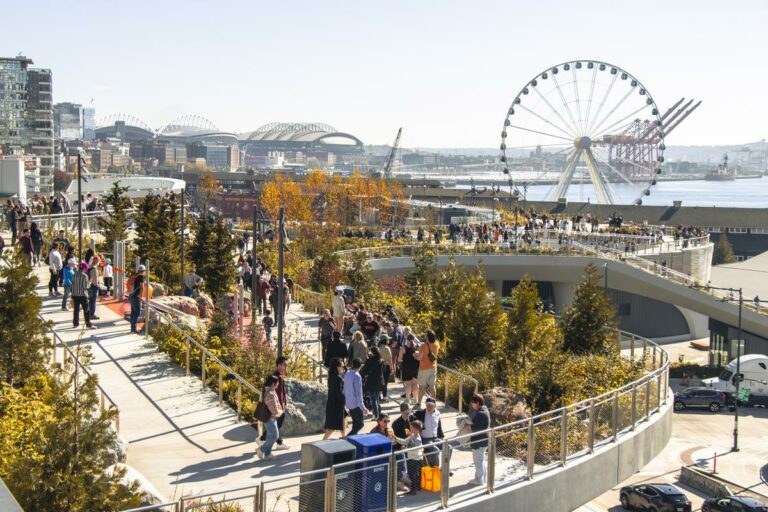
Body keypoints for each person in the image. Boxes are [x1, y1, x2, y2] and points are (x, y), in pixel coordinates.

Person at [259, 357, 289, 450]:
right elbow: (272, 392)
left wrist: (284, 402)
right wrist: (279, 406)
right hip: (276, 407)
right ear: (278, 365)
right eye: (284, 364)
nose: (286, 367)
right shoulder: (275, 377)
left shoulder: (279, 376)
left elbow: (281, 392)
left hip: (279, 406)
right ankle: (264, 440)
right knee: (276, 425)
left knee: (276, 426)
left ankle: (277, 442)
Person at [256, 374, 283, 461]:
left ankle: (268, 454)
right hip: (270, 418)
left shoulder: (270, 391)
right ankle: (261, 449)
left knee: (269, 436)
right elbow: (273, 408)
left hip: (270, 418)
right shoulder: (270, 393)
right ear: (272, 384)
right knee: (275, 436)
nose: (277, 385)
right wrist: (279, 413)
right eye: (276, 383)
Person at [393, 419, 424, 495]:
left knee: (413, 474)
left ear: (417, 429)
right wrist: (395, 438)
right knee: (415, 474)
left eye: (411, 428)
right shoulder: (412, 436)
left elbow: (414, 449)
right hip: (414, 457)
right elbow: (404, 441)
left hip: (415, 459)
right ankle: (417, 487)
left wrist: (405, 449)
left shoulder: (418, 439)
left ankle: (413, 490)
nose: (410, 429)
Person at [468, 394, 491, 486]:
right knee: (481, 460)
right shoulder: (485, 410)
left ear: (477, 403)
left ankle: (479, 479)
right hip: (484, 440)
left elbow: (476, 428)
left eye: (473, 403)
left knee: (478, 461)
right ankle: (483, 478)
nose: (472, 404)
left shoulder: (481, 413)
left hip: (479, 441)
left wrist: (468, 425)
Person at [392, 402, 417, 486]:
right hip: (400, 446)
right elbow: (396, 439)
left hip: (412, 444)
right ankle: (404, 476)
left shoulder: (413, 419)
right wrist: (405, 446)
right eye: (405, 413)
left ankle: (414, 476)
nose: (407, 415)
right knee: (402, 454)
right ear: (401, 412)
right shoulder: (396, 423)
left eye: (408, 412)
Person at [414, 397, 443, 467]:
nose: (429, 407)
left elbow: (439, 426)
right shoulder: (421, 413)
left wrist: (441, 436)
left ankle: (444, 467)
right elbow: (412, 418)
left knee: (449, 447)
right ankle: (436, 470)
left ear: (435, 406)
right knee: (435, 450)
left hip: (435, 438)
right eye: (427, 405)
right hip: (425, 439)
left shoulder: (437, 413)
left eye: (431, 406)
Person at [323, 358, 346, 440]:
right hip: (337, 403)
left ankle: (344, 437)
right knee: (332, 426)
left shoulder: (331, 376)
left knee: (343, 419)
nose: (343, 368)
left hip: (332, 402)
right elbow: (338, 392)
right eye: (342, 366)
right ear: (337, 367)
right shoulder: (338, 378)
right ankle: (323, 441)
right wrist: (345, 401)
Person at [343, 357, 367, 436]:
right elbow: (358, 392)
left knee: (355, 424)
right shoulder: (357, 376)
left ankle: (352, 438)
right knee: (360, 424)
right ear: (360, 366)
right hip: (355, 404)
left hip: (348, 402)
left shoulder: (347, 373)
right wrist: (363, 407)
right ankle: (348, 438)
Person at [416, 330, 440, 407]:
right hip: (433, 367)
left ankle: (419, 403)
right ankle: (433, 402)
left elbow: (420, 358)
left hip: (424, 368)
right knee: (432, 386)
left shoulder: (423, 346)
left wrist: (415, 355)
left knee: (422, 387)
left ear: (428, 337)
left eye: (425, 335)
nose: (424, 336)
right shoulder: (436, 344)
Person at [361, 346, 386, 419]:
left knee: (373, 398)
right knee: (376, 398)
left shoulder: (370, 360)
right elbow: (384, 370)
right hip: (380, 380)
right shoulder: (381, 360)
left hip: (371, 381)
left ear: (372, 352)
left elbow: (365, 371)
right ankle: (378, 413)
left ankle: (376, 414)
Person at [72, 262, 96, 329]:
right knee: (86, 310)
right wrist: (90, 282)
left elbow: (73, 285)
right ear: (84, 268)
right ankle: (88, 324)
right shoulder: (84, 276)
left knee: (76, 310)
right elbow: (85, 287)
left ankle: (75, 323)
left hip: (75, 294)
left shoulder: (74, 275)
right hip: (82, 295)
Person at [399, 333, 420, 406]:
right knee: (415, 384)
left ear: (406, 339)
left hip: (407, 367)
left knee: (408, 384)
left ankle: (408, 400)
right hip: (416, 367)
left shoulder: (403, 348)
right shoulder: (417, 347)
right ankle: (415, 399)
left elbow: (399, 359)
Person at [129, 265, 145, 333]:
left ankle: (132, 327)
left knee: (133, 312)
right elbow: (142, 287)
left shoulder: (135, 275)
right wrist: (141, 297)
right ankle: (133, 328)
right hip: (136, 296)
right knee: (137, 312)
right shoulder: (141, 276)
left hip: (131, 295)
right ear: (143, 271)